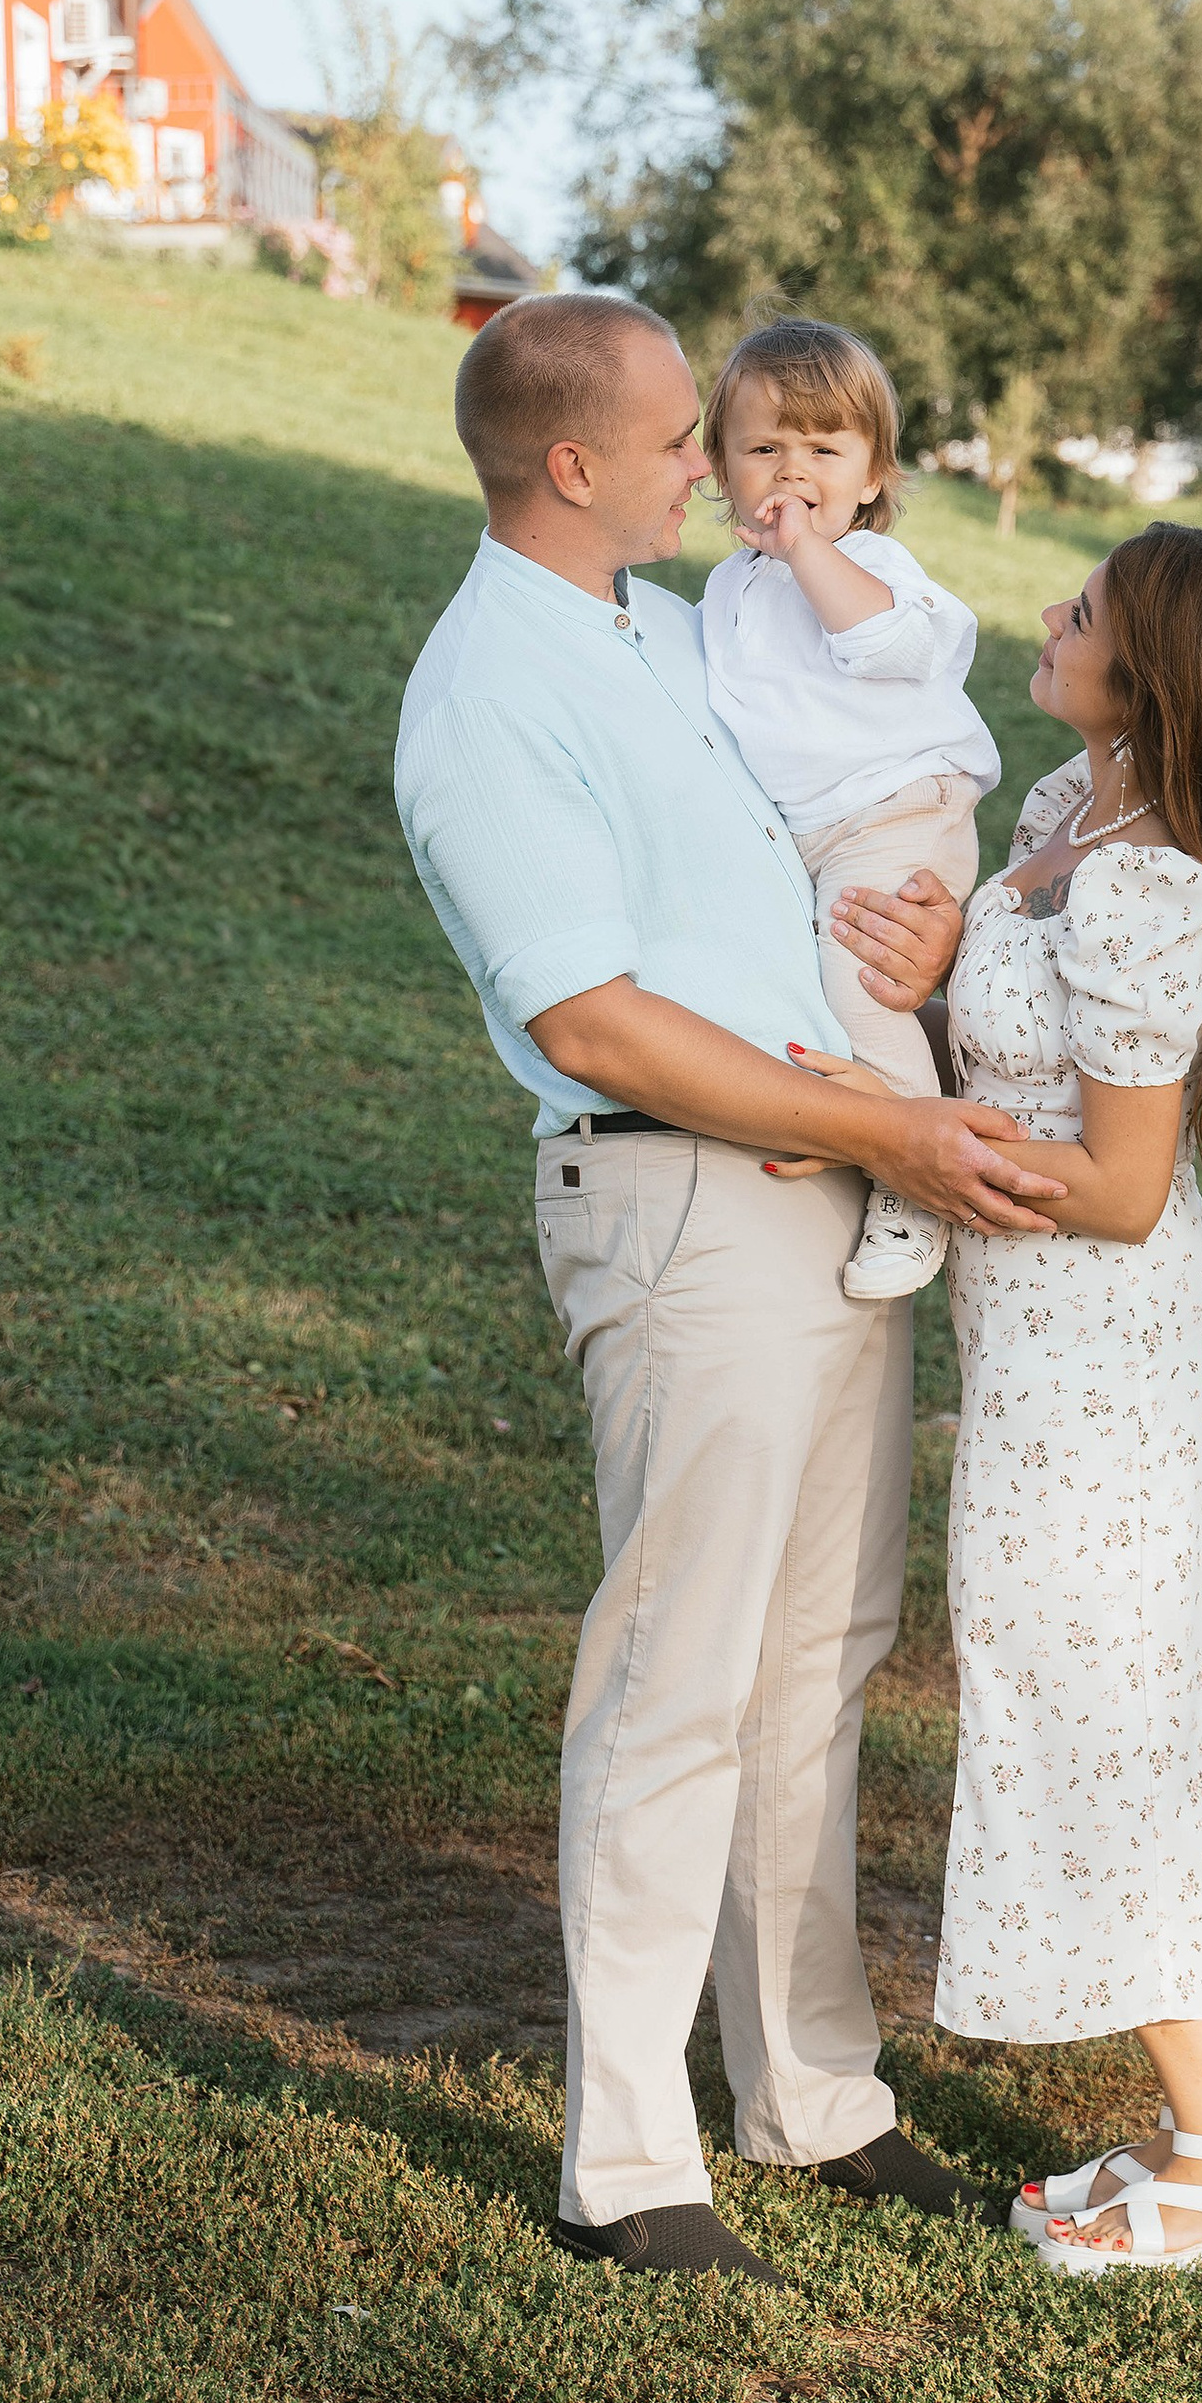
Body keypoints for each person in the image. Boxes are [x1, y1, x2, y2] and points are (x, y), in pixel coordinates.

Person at [392, 291, 1066, 2287]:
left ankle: (814, 2095)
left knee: (816, 1656)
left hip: (828, 1178)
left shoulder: (679, 631)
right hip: (684, 1205)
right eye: (684, 436)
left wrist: (925, 936)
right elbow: (590, 1020)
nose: (717, 460)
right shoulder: (485, 692)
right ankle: (623, 2166)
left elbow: (839, 812)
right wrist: (866, 1120)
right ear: (572, 464)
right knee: (679, 1669)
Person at [828, 523, 1202, 2279]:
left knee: (1115, 1722)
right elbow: (1025, 1056)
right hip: (1050, 1354)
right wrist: (930, 1004)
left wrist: (908, 1141)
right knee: (1125, 1713)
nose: (1054, 615)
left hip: (1107, 1371)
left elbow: (1120, 1188)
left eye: (1090, 611)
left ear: (1157, 677)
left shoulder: (1147, 887)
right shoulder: (1068, 815)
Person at [698, 317, 1000, 1305]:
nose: (792, 470)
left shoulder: (874, 568)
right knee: (813, 985)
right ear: (719, 466)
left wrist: (803, 549)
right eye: (763, 448)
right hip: (813, 830)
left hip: (898, 808)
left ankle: (913, 1172)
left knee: (863, 983)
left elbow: (889, 644)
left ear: (873, 478)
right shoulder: (727, 588)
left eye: (823, 450)